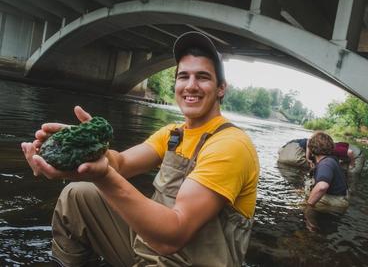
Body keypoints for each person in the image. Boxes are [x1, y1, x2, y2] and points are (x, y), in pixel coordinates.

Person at [21, 31, 260, 266]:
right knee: (77, 195)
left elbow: (174, 234)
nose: (191, 85)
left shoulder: (231, 145)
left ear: (221, 88)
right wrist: (84, 147)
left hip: (180, 255)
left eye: (203, 77)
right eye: (183, 76)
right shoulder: (173, 133)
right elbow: (120, 163)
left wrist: (103, 176)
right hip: (148, 247)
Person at [304, 131, 349, 230]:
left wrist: (309, 205)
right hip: (340, 199)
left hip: (334, 202)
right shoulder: (331, 159)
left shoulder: (325, 164)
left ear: (312, 149)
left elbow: (322, 187)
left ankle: (310, 229)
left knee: (298, 205)